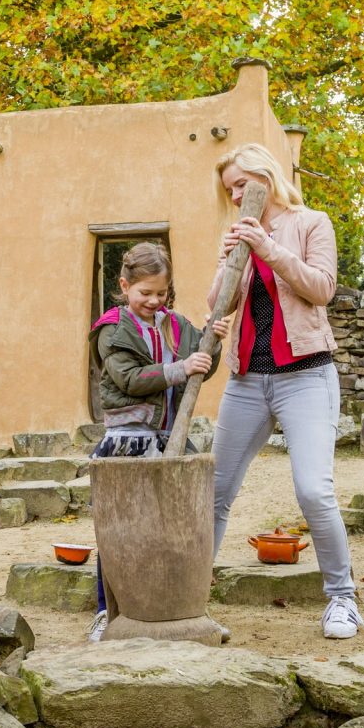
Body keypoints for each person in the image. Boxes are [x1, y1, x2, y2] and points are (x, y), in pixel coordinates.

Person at [208, 143, 364, 640]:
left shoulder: (312, 222)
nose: (235, 197)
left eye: (241, 185)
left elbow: (322, 288)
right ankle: (188, 596)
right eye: (229, 189)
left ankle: (342, 599)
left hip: (306, 376)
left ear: (265, 177)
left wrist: (267, 248)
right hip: (246, 380)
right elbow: (217, 307)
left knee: (313, 491)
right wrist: (228, 261)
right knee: (212, 492)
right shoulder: (239, 232)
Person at [86, 242, 230, 642]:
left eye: (160, 293)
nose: (152, 300)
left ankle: (181, 610)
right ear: (124, 285)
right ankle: (106, 610)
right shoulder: (113, 329)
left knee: (177, 527)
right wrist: (180, 367)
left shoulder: (177, 325)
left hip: (170, 440)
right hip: (127, 443)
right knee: (120, 532)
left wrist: (212, 342)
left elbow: (201, 365)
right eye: (143, 292)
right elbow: (129, 378)